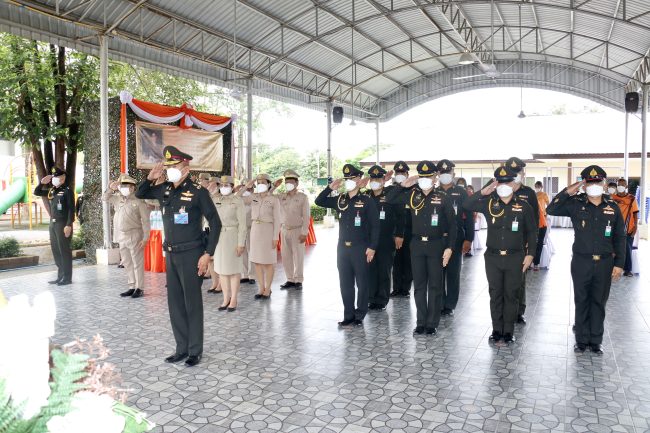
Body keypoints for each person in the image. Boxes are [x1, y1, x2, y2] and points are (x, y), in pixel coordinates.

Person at [135, 146, 221, 367]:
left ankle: (195, 350)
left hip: (192, 255)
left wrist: (208, 254)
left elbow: (215, 222)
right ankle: (181, 348)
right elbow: (140, 193)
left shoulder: (198, 193)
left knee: (192, 304)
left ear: (186, 167)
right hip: (171, 254)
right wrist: (150, 178)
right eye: (168, 167)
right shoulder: (164, 189)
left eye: (175, 166)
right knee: (175, 304)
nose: (170, 170)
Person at [546, 165, 625, 354]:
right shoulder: (576, 204)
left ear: (604, 184)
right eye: (590, 183)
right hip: (581, 261)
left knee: (599, 301)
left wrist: (619, 264)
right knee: (581, 300)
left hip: (605, 262)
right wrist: (571, 189)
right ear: (585, 185)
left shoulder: (612, 207)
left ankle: (595, 340)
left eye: (598, 182)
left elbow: (620, 237)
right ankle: (581, 340)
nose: (594, 185)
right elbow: (551, 208)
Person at [464, 166, 537, 344]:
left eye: (507, 182)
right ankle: (497, 330)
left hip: (515, 257)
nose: (504, 186)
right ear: (496, 184)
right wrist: (483, 191)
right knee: (495, 293)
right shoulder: (489, 203)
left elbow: (532, 232)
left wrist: (531, 255)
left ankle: (508, 331)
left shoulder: (524, 206)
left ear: (514, 184)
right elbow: (467, 205)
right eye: (500, 183)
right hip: (493, 257)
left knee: (511, 294)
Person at [386, 161, 456, 335]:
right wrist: (403, 185)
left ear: (434, 177)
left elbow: (453, 225)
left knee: (435, 285)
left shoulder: (443, 197)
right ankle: (420, 321)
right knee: (419, 286)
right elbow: (390, 199)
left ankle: (431, 323)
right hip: (416, 245)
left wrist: (449, 248)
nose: (425, 179)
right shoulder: (411, 195)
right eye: (422, 176)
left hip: (436, 244)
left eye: (428, 176)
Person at [315, 164, 379, 327]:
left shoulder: (366, 200)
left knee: (362, 283)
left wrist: (372, 247)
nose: (349, 181)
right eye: (347, 179)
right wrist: (330, 188)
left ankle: (360, 313)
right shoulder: (340, 199)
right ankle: (348, 314)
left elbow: (375, 226)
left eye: (352, 178)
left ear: (359, 180)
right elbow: (319, 201)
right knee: (345, 283)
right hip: (343, 248)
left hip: (361, 247)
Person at [102, 174, 151, 298]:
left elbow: (145, 221)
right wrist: (111, 188)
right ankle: (132, 286)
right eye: (122, 185)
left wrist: (146, 238)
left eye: (127, 186)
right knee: (127, 263)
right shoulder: (118, 198)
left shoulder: (139, 201)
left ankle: (139, 288)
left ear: (133, 188)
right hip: (122, 236)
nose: (123, 188)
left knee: (137, 263)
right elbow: (104, 197)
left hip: (135, 234)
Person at [504, 157, 539, 324]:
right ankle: (504, 309)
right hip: (502, 243)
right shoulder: (500, 191)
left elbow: (535, 221)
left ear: (523, 173)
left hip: (521, 244)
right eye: (512, 172)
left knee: (519, 278)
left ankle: (518, 310)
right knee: (501, 280)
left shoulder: (529, 193)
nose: (515, 175)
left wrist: (531, 247)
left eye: (518, 172)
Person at [437, 160, 474, 316]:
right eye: (442, 173)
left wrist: (469, 238)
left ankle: (450, 304)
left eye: (448, 172)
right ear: (438, 174)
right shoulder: (433, 192)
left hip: (457, 238)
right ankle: (439, 303)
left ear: (453, 174)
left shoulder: (461, 192)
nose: (445, 175)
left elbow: (469, 217)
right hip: (437, 239)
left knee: (453, 273)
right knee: (437, 273)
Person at [365, 165, 402, 311]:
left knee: (384, 270)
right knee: (370, 270)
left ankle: (382, 299)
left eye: (378, 178)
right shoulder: (366, 196)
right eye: (372, 178)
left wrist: (399, 235)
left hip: (386, 239)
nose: (375, 181)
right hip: (368, 240)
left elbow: (401, 216)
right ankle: (371, 297)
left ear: (383, 180)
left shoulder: (390, 195)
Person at [34, 166, 75, 286]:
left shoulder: (67, 191)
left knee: (64, 251)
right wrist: (41, 183)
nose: (53, 180)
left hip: (62, 224)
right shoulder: (52, 191)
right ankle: (60, 276)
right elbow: (37, 192)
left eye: (55, 177)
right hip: (53, 223)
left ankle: (67, 278)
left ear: (62, 179)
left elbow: (71, 210)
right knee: (56, 250)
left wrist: (69, 225)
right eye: (53, 178)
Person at [212, 175, 247, 311]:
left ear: (232, 187)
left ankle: (234, 299)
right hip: (218, 237)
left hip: (232, 236)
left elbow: (242, 225)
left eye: (226, 186)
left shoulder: (238, 201)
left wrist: (241, 243)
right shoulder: (216, 200)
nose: (223, 188)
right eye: (221, 185)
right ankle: (225, 298)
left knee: (233, 270)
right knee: (221, 270)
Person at [243, 174, 281, 299]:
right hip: (255, 230)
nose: (260, 184)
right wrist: (246, 187)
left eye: (263, 182)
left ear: (269, 184)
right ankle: (261, 287)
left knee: (268, 262)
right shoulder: (253, 197)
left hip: (268, 230)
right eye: (258, 182)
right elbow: (236, 198)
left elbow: (277, 219)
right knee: (257, 262)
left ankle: (268, 288)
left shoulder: (274, 199)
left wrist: (275, 236)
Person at [275, 170, 310, 290]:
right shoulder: (281, 197)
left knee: (298, 256)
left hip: (297, 230)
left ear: (296, 183)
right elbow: (268, 196)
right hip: (284, 230)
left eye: (291, 182)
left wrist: (304, 232)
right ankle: (290, 279)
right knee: (286, 256)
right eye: (286, 182)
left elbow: (306, 216)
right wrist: (274, 186)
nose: (288, 184)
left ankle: (298, 280)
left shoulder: (302, 197)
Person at [390, 161, 413, 298]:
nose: (400, 175)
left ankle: (405, 288)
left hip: (410, 231)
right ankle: (397, 287)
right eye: (397, 173)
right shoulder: (392, 191)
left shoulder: (413, 190)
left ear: (407, 174)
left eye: (402, 173)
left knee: (408, 261)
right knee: (396, 261)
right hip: (395, 232)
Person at [611, 178, 639, 277]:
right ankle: (612, 268)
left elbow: (635, 214)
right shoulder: (612, 197)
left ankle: (628, 270)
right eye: (619, 184)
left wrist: (635, 227)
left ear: (626, 186)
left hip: (628, 229)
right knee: (612, 249)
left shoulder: (632, 198)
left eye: (623, 184)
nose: (621, 186)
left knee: (627, 249)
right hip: (614, 228)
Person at [237, 181, 256, 284]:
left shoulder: (255, 197)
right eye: (247, 188)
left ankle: (252, 275)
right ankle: (244, 274)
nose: (249, 190)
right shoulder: (239, 199)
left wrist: (250, 192)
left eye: (251, 188)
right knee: (243, 252)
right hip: (241, 229)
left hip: (251, 228)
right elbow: (237, 195)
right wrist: (243, 189)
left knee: (251, 251)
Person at [533, 181, 550, 271]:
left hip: (542, 221)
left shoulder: (544, 195)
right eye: (536, 186)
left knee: (539, 244)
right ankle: (529, 263)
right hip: (533, 222)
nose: (537, 188)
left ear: (541, 187)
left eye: (538, 186)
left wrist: (545, 213)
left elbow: (549, 204)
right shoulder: (533, 195)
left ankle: (536, 264)